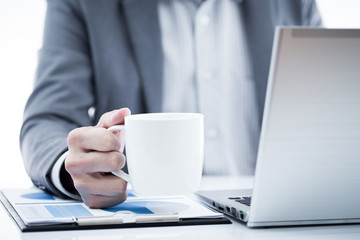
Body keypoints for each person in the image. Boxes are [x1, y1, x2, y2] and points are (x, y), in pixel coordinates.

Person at [20, 0, 322, 208]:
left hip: (272, 214)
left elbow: (326, 113)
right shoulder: (86, 5)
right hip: (152, 221)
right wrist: (75, 169)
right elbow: (47, 119)